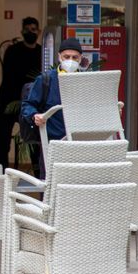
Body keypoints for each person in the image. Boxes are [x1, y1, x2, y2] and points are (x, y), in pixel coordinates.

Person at [20, 37, 84, 177]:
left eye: (75, 57)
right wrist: (34, 115)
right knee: (50, 184)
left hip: (81, 143)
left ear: (81, 59)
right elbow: (28, 104)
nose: (70, 61)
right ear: (59, 57)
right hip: (52, 143)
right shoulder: (46, 80)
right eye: (66, 57)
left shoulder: (86, 81)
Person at [0, 17, 43, 169]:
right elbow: (9, 76)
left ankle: (39, 178)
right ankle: (1, 176)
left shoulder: (42, 52)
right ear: (22, 32)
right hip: (9, 100)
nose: (30, 33)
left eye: (33, 30)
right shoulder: (12, 51)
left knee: (35, 143)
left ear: (39, 32)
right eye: (27, 30)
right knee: (3, 142)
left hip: (31, 101)